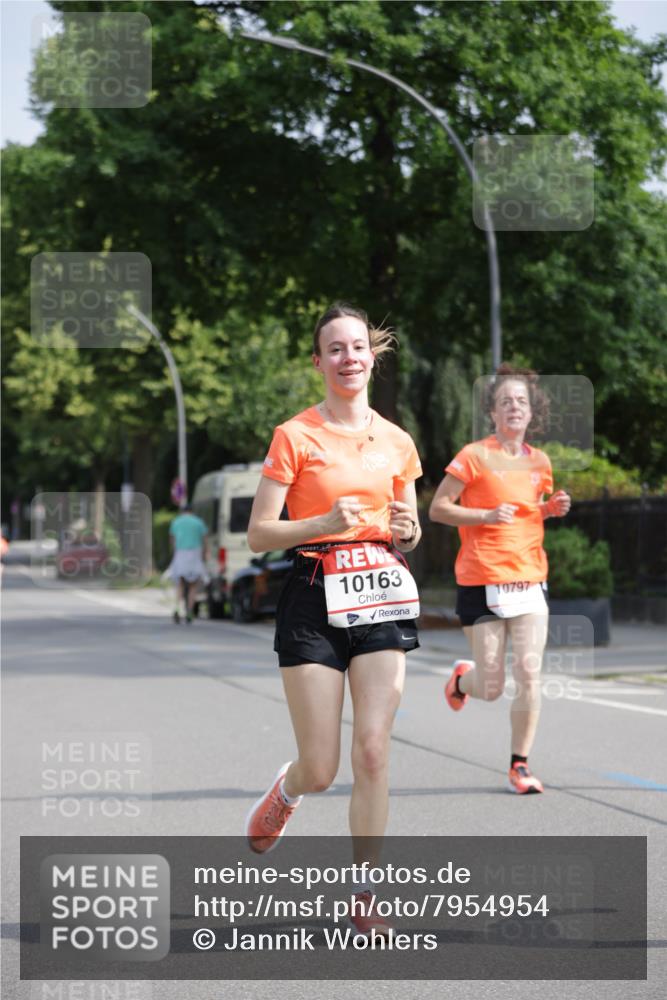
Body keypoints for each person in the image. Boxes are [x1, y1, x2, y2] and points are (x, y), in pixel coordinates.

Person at [245, 303, 422, 936]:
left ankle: (365, 893)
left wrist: (408, 528)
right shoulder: (295, 435)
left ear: (372, 357)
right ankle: (288, 790)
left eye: (358, 347)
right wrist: (322, 523)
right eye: (336, 350)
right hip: (314, 593)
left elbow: (409, 524)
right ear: (319, 362)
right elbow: (259, 535)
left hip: (379, 593)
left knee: (373, 751)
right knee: (322, 767)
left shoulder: (398, 440)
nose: (350, 358)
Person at [429, 364, 571, 794]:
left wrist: (550, 509)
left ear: (531, 414)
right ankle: (461, 680)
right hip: (482, 579)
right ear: (493, 412)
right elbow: (438, 508)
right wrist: (485, 515)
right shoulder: (473, 456)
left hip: (529, 579)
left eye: (522, 402)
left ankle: (519, 766)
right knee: (490, 686)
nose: (514, 407)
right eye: (506, 401)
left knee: (529, 672)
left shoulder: (540, 463)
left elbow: (529, 508)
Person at [168, 504, 208, 624]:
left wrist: (174, 554)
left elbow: (172, 541)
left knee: (179, 584)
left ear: (182, 511)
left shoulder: (176, 522)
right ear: (192, 511)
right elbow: (204, 540)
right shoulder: (198, 522)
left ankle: (177, 608)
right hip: (195, 554)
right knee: (193, 586)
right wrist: (204, 555)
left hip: (180, 554)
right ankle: (189, 611)